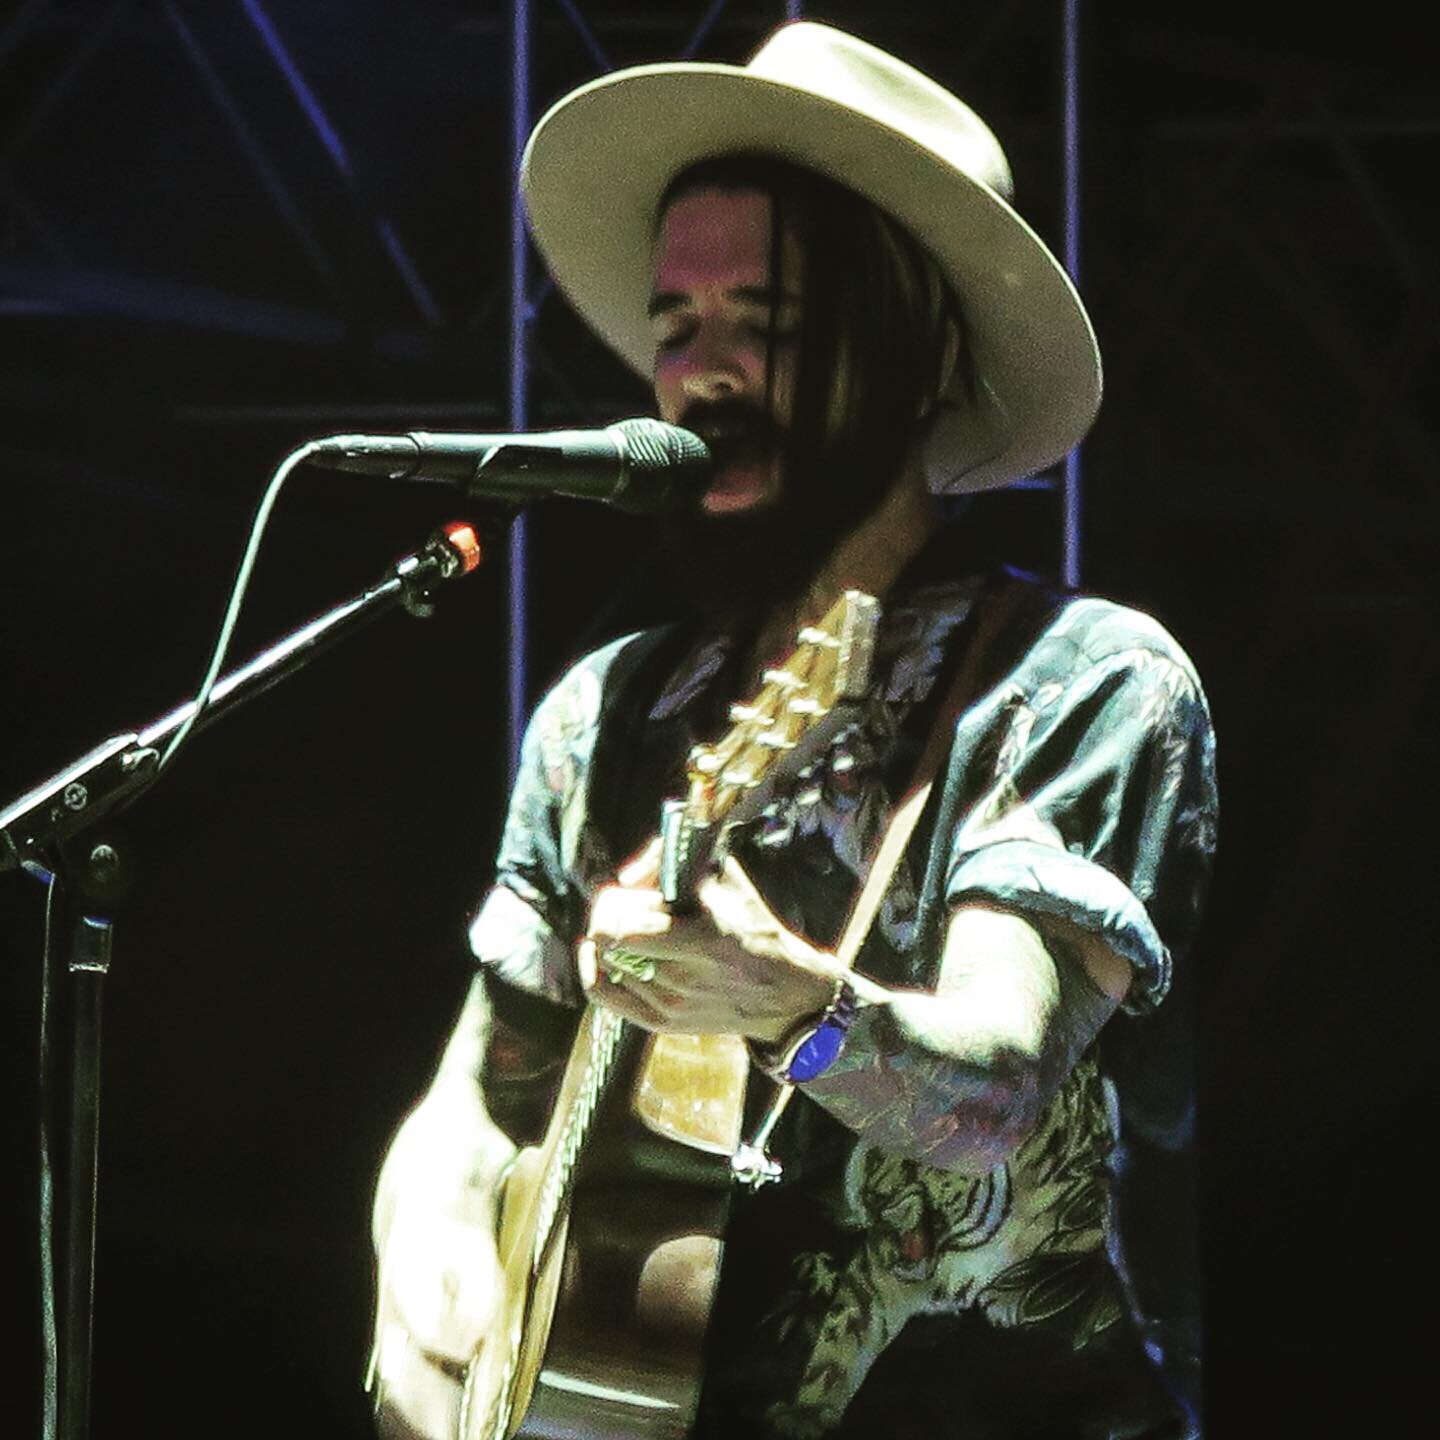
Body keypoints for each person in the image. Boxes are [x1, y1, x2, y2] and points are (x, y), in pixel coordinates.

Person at [369, 20, 1217, 1440]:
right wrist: (432, 1256)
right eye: (678, 326)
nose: (704, 374)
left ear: (923, 348)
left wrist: (785, 1004)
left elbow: (1000, 1089)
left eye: (767, 324)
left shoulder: (1081, 681)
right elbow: (471, 1100)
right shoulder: (608, 717)